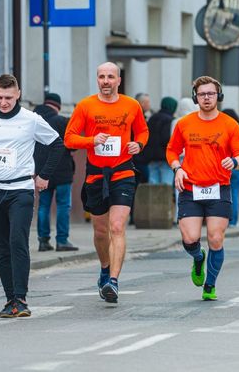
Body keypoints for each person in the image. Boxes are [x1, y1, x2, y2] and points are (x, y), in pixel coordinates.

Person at [0, 74, 63, 318]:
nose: (4, 102)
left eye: (8, 97)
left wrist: (44, 175)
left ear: (18, 94)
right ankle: (10, 299)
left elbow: (57, 145)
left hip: (21, 189)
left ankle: (21, 298)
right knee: (1, 246)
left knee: (17, 241)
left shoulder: (31, 119)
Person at [64, 62, 149, 304]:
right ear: (97, 79)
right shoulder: (86, 105)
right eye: (101, 76)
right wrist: (91, 140)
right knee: (101, 231)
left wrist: (138, 145)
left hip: (123, 173)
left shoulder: (131, 105)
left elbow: (142, 132)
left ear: (119, 80)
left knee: (117, 226)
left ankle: (113, 280)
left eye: (111, 77)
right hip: (96, 176)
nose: (106, 81)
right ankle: (104, 267)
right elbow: (69, 139)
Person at [166, 76, 239, 301]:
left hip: (218, 188)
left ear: (218, 96)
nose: (206, 98)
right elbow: (172, 150)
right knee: (190, 237)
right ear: (196, 97)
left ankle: (210, 285)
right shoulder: (185, 123)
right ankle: (198, 257)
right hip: (190, 188)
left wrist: (235, 161)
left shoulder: (229, 124)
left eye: (211, 93)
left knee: (215, 238)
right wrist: (177, 168)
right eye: (202, 94)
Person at [33, 92, 78, 252]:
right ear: (57, 106)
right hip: (62, 170)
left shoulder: (34, 120)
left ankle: (43, 241)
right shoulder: (60, 121)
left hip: (41, 170)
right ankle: (62, 241)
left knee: (43, 205)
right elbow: (72, 144)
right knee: (63, 205)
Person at [222, 109, 239, 228]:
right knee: (234, 193)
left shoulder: (223, 131)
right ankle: (234, 221)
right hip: (237, 165)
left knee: (224, 193)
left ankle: (227, 219)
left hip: (226, 164)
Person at [145, 96, 178, 185]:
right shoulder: (170, 120)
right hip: (165, 158)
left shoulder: (152, 118)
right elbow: (166, 139)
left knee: (152, 186)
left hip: (151, 157)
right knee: (166, 185)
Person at [132, 92, 152, 184]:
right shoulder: (134, 116)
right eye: (147, 102)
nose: (149, 104)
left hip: (142, 155)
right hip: (137, 156)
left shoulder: (146, 116)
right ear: (142, 103)